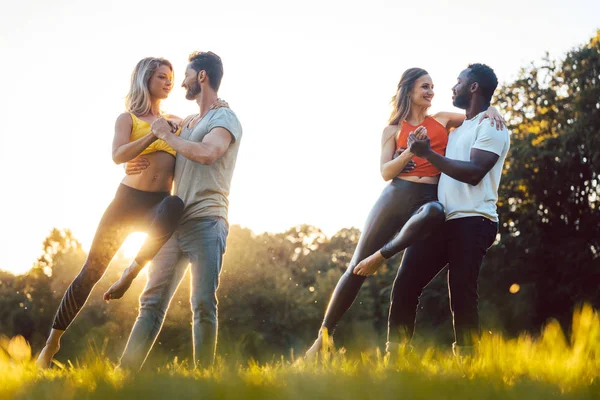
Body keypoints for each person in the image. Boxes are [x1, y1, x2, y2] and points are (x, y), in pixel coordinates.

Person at [304, 67, 504, 359]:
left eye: (433, 87)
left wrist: (495, 109)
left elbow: (478, 113)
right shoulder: (392, 130)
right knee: (355, 267)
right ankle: (322, 339)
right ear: (408, 90)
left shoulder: (444, 120)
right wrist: (411, 152)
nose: (431, 91)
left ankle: (383, 256)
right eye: (425, 86)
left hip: (428, 197)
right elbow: (385, 172)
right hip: (396, 195)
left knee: (435, 212)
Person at [36, 57, 187, 368]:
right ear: (146, 79)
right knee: (90, 272)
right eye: (161, 76)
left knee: (175, 206)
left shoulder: (176, 120)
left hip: (157, 203)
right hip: (126, 203)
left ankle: (131, 272)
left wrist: (169, 132)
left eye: (170, 77)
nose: (168, 82)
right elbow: (117, 155)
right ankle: (51, 345)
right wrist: (153, 136)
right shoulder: (128, 118)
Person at [117, 51, 243, 370]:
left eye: (186, 75)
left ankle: (204, 377)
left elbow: (207, 153)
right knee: (151, 303)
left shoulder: (224, 119)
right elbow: (163, 145)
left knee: (201, 304)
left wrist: (167, 137)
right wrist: (136, 161)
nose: (180, 82)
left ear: (201, 77)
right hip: (174, 225)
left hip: (207, 222)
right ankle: (123, 374)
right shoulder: (186, 122)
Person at [387, 63, 510, 356]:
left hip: (474, 220)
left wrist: (426, 152)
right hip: (442, 218)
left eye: (458, 81)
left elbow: (474, 172)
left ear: (473, 87)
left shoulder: (491, 127)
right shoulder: (460, 127)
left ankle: (468, 364)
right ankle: (395, 359)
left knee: (461, 291)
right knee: (405, 283)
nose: (452, 87)